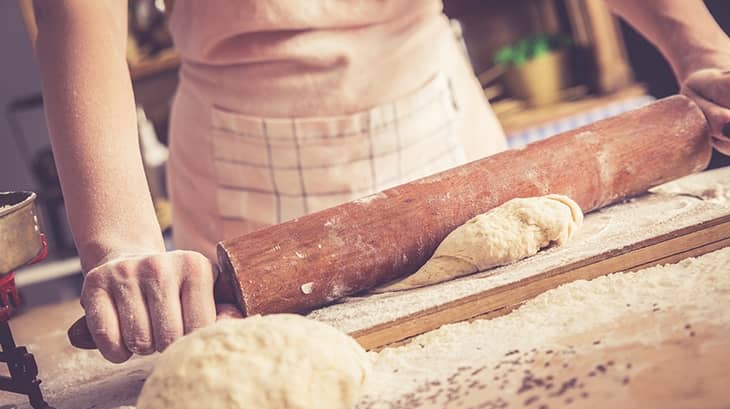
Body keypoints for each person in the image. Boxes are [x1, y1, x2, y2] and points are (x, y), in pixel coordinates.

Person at [31, 1, 730, 363]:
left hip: (439, 130)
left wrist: (701, 49)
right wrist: (121, 241)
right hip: (245, 180)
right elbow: (79, 11)